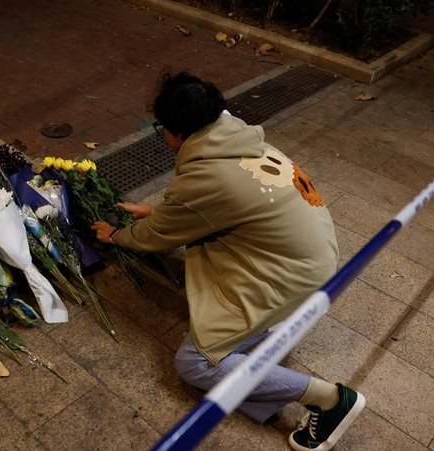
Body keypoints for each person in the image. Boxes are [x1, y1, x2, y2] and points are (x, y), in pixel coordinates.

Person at [91, 72, 365, 450]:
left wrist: (117, 236)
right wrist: (159, 209)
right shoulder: (239, 140)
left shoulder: (205, 174)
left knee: (195, 364)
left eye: (161, 129)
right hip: (312, 261)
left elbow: (157, 236)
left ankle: (329, 398)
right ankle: (260, 393)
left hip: (292, 281)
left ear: (175, 132)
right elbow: (225, 202)